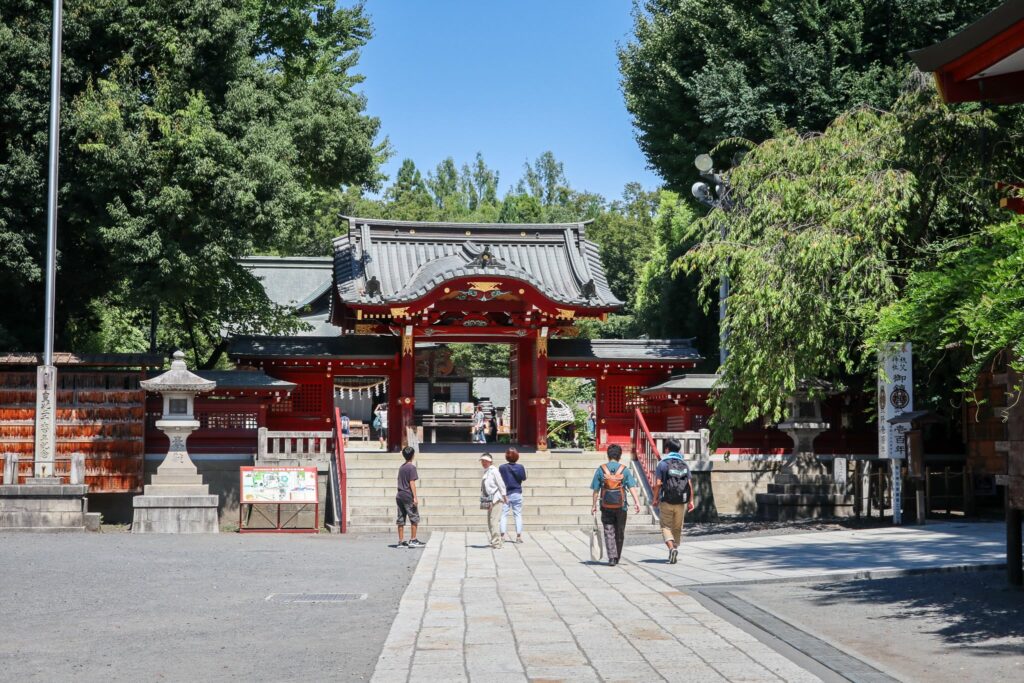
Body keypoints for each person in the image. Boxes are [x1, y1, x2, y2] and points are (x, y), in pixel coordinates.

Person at [590, 444, 641, 566]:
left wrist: (593, 505)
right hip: (621, 506)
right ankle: (617, 556)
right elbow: (632, 487)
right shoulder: (624, 470)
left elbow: (596, 490)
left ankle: (612, 557)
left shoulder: (601, 469)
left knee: (608, 531)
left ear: (608, 455)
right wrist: (637, 502)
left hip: (606, 505)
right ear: (620, 456)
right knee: (620, 531)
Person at [651, 437, 694, 564]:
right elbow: (690, 485)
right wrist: (691, 501)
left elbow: (658, 484)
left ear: (667, 449)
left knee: (665, 526)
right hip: (681, 502)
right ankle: (675, 548)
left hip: (666, 501)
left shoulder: (663, 464)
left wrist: (655, 498)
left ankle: (671, 549)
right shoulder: (684, 464)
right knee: (677, 527)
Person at [395, 446, 424, 548]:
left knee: (401, 518)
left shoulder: (402, 467)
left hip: (399, 495)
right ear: (413, 455)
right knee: (414, 517)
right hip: (408, 494)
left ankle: (401, 541)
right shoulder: (411, 467)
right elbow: (412, 482)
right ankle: (413, 539)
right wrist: (415, 497)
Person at [479, 453, 508, 549]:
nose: (483, 463)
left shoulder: (494, 471)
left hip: (496, 499)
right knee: (490, 521)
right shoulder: (486, 471)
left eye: (485, 461)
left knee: (493, 521)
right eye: (482, 461)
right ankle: (495, 540)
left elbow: (501, 483)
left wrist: (504, 495)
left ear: (490, 461)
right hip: (489, 499)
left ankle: (496, 542)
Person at [499, 448, 527, 543]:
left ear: (506, 457)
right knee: (518, 514)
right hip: (517, 492)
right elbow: (523, 478)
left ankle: (502, 536)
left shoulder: (502, 467)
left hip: (505, 494)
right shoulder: (520, 467)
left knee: (503, 515)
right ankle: (518, 537)